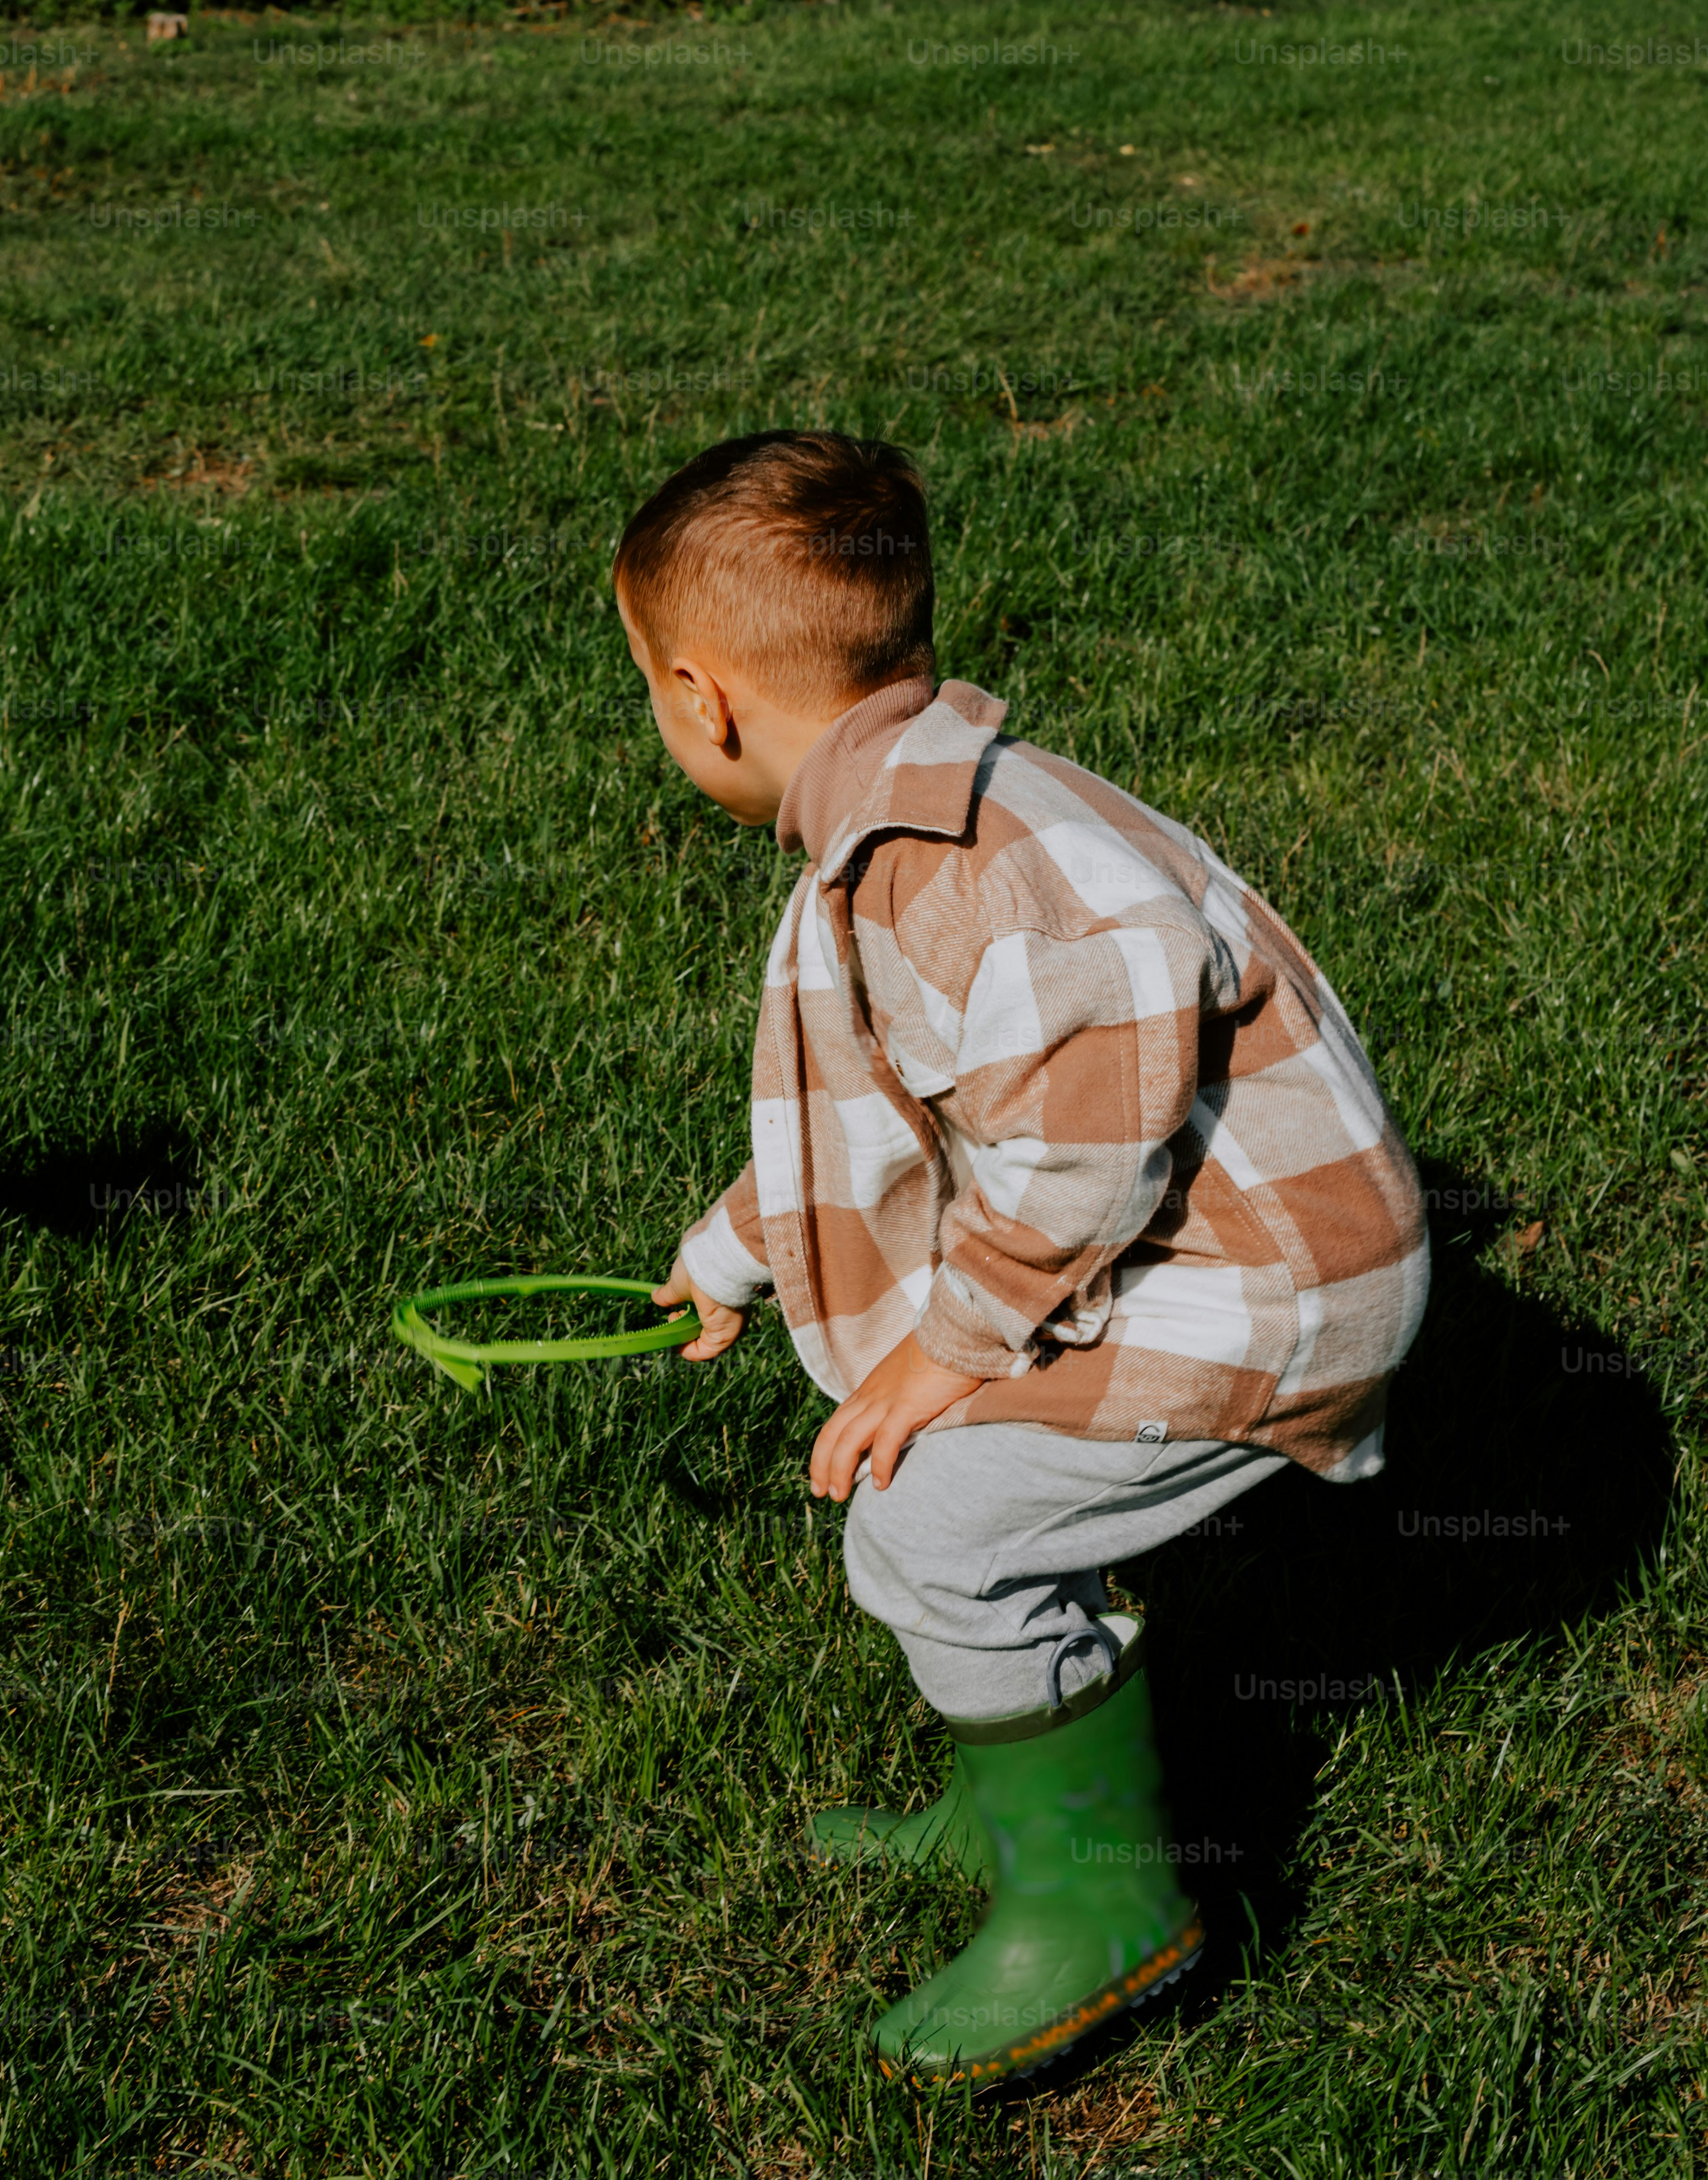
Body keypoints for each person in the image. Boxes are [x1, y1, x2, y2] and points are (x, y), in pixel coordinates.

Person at [626, 431, 1430, 2081]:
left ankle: (1108, 1904)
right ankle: (1025, 1808)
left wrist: (954, 1350)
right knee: (935, 1518)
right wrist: (733, 1252)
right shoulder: (906, 815)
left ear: (703, 698)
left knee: (936, 1524)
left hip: (1269, 1295)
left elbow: (1083, 1153)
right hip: (1190, 1258)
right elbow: (889, 1127)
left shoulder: (955, 867)